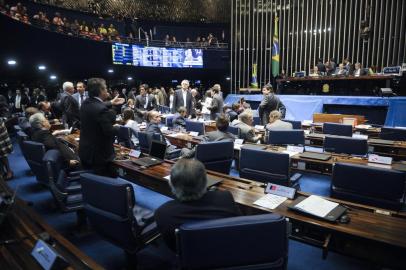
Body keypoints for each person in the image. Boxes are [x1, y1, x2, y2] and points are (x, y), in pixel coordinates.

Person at [155, 158, 241, 251]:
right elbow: (239, 228)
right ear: (205, 182)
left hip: (188, 261)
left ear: (171, 184)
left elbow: (172, 247)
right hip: (226, 252)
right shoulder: (225, 198)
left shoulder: (163, 213)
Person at [79, 78, 124, 177]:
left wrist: (111, 102)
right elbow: (109, 131)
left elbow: (96, 106)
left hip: (86, 151)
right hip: (100, 155)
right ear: (101, 91)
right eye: (106, 89)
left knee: (92, 183)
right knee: (105, 183)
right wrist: (118, 127)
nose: (107, 91)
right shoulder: (101, 110)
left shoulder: (85, 103)